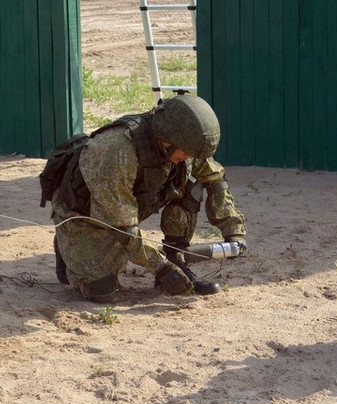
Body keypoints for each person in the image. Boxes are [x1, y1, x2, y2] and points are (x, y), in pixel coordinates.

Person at [41, 94, 247, 302]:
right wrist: (161, 268)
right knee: (103, 291)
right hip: (86, 218)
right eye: (186, 153)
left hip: (124, 213)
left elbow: (215, 179)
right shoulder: (116, 150)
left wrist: (233, 230)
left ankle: (178, 257)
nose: (190, 158)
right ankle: (67, 247)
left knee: (191, 181)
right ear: (167, 140)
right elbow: (121, 224)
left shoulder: (184, 142)